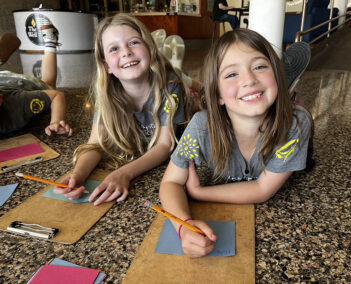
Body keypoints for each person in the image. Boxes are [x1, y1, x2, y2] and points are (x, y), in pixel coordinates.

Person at [159, 29, 312, 258]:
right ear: (218, 95)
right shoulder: (201, 127)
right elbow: (170, 182)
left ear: (278, 77)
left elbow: (262, 189)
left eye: (260, 66)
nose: (249, 79)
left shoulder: (296, 124)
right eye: (231, 74)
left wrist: (199, 192)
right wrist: (183, 225)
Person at [53, 13, 190, 205]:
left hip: (180, 90)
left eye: (134, 42)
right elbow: (96, 145)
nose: (126, 52)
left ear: (149, 48)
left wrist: (124, 173)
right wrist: (77, 174)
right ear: (106, 65)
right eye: (114, 49)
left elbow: (164, 145)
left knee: (189, 85)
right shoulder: (106, 94)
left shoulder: (170, 86)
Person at [0, 26, 72, 136]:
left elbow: (56, 96)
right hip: (3, 78)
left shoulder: (18, 104)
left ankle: (50, 41)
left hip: (21, 83)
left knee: (48, 84)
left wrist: (55, 122)